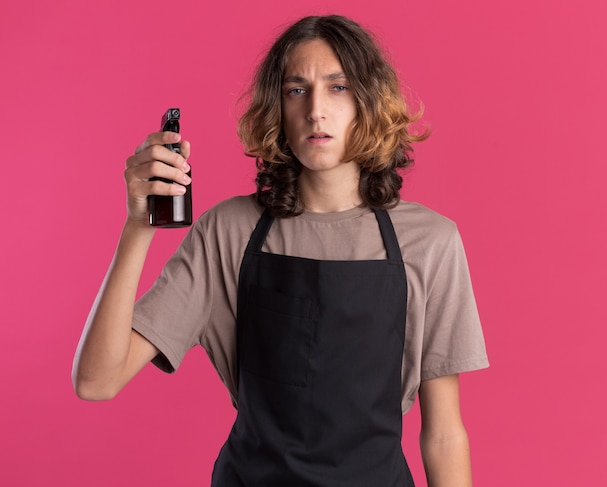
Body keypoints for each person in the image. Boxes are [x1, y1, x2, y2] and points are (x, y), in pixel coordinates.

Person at [73, 14, 488, 487]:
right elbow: (96, 381)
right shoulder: (229, 232)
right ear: (277, 108)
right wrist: (138, 226)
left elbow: (443, 435)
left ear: (369, 103)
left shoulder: (431, 242)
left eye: (338, 87)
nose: (316, 110)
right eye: (296, 90)